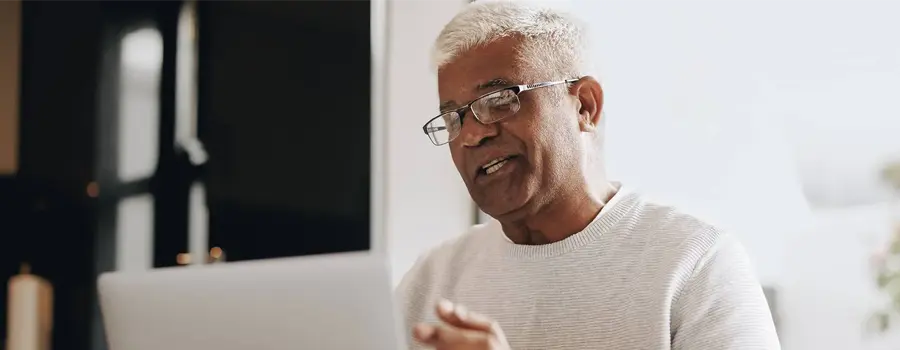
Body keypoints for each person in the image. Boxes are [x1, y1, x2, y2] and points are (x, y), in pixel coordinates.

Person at [396, 0, 781, 349]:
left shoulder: (696, 264)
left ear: (585, 106)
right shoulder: (432, 281)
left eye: (499, 100)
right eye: (454, 118)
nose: (471, 135)